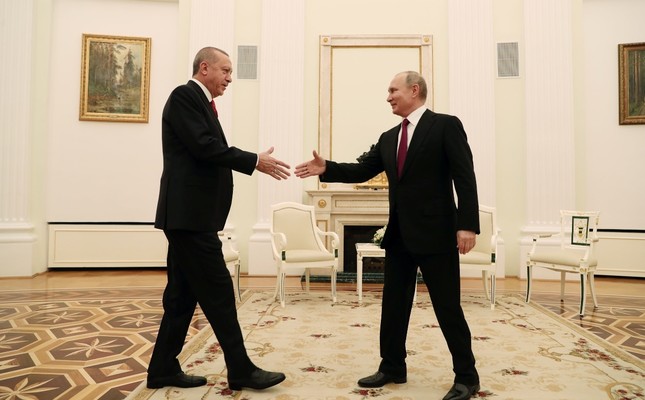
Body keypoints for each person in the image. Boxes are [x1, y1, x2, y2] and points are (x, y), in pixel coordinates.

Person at [295, 71, 480, 400]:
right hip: (399, 236)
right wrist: (328, 168)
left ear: (414, 90)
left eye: (393, 90)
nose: (388, 96)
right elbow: (362, 169)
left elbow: (465, 176)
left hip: (437, 235)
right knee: (393, 306)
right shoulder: (388, 136)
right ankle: (393, 366)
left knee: (448, 307)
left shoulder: (446, 125)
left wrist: (467, 224)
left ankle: (467, 375)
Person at [147, 47, 289, 391]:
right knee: (220, 292)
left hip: (191, 217)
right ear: (205, 67)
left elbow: (205, 148)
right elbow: (204, 147)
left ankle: (163, 368)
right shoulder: (185, 96)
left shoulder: (201, 102)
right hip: (189, 218)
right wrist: (253, 160)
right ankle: (240, 369)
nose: (229, 78)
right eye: (225, 70)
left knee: (181, 295)